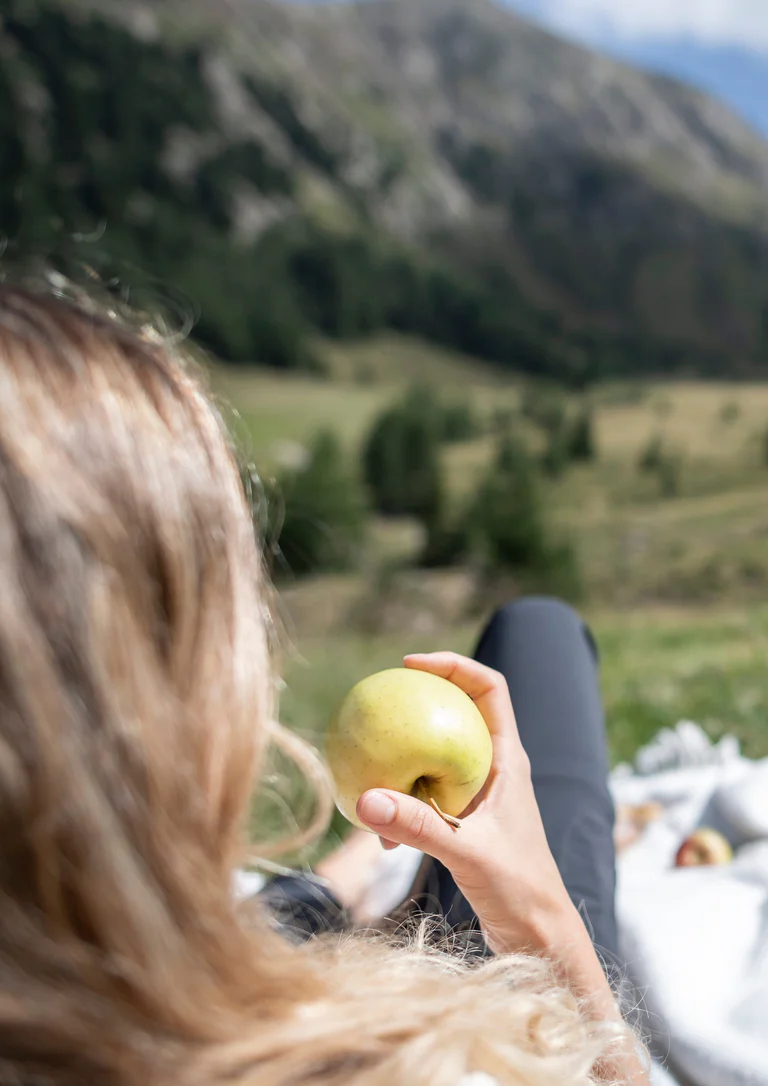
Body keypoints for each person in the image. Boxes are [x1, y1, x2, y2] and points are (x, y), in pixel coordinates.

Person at [0, 281, 650, 1086]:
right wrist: (543, 919)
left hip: (197, 951)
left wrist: (353, 858)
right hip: (416, 965)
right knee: (540, 629)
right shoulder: (416, 1063)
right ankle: (407, 880)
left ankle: (369, 870)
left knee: (283, 914)